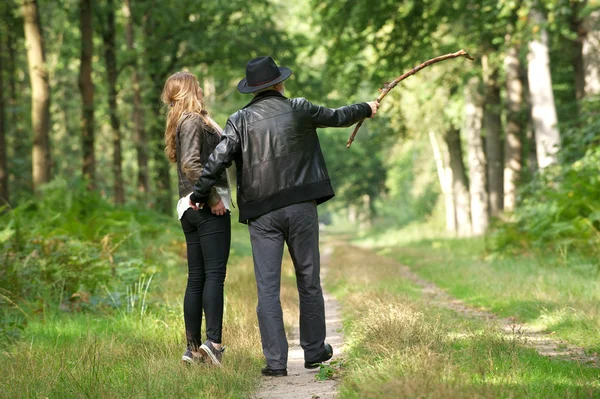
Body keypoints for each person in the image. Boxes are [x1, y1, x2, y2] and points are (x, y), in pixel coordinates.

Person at [189, 56, 378, 376]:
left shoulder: (239, 119)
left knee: (267, 288)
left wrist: (198, 193)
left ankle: (276, 363)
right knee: (308, 279)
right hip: (301, 206)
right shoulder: (299, 107)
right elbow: (338, 116)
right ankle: (315, 352)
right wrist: (366, 107)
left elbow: (218, 158)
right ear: (279, 83)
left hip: (262, 214)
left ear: (253, 90)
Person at [161, 71, 232, 366]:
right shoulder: (191, 120)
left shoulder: (185, 120)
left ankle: (192, 349)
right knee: (214, 275)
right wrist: (213, 198)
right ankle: (212, 343)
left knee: (197, 278)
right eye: (197, 85)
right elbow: (191, 164)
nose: (202, 88)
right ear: (189, 90)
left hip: (189, 209)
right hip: (203, 207)